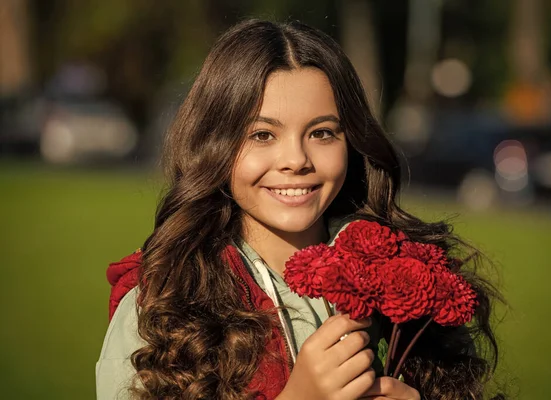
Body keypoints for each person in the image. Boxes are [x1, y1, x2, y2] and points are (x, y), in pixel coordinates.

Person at [96, 19, 503, 400]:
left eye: (322, 133)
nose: (296, 159)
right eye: (262, 134)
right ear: (214, 144)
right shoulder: (161, 304)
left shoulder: (410, 283)